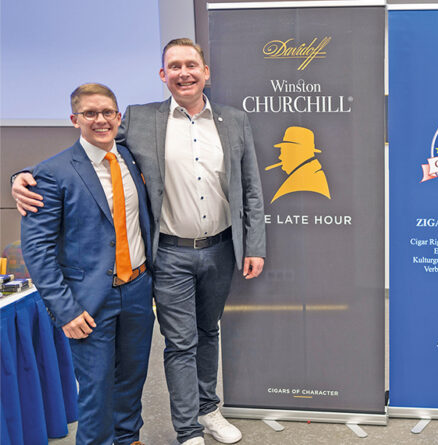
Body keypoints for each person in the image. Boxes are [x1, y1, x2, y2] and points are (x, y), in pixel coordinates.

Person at [13, 38, 267, 445]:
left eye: (191, 65)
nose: (184, 73)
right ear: (163, 75)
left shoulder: (234, 120)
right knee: (178, 343)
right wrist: (23, 177)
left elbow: (250, 186)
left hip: (219, 249)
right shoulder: (141, 119)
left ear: (205, 72)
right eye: (174, 66)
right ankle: (188, 430)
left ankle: (206, 410)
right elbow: (86, 151)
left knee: (205, 333)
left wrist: (253, 245)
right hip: (170, 254)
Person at [21, 83, 154, 445]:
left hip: (138, 290)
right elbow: (37, 249)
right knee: (96, 390)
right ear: (74, 119)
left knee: (132, 380)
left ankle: (128, 439)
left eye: (107, 112)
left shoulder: (131, 159)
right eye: (90, 113)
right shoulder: (51, 173)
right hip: (88, 301)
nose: (100, 120)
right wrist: (65, 311)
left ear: (118, 117)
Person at [269, 126, 330, 203]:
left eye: (284, 151)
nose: (280, 157)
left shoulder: (308, 180)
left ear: (297, 152)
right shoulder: (312, 173)